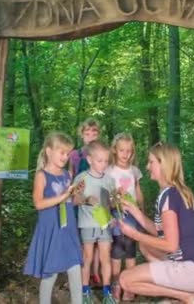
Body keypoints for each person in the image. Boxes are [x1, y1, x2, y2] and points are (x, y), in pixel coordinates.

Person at [117, 142, 194, 304]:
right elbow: (161, 232)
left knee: (126, 280)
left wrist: (134, 234)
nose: (147, 166)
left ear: (163, 164)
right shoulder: (178, 191)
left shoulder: (168, 197)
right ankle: (184, 291)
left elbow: (170, 245)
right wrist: (135, 211)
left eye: (151, 162)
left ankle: (187, 297)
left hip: (193, 270)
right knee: (146, 246)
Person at [23, 132, 84, 304]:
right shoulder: (41, 175)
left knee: (75, 268)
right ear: (49, 152)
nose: (65, 157)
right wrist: (62, 197)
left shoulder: (67, 175)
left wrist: (76, 194)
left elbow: (71, 201)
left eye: (68, 153)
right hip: (51, 231)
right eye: (62, 153)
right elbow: (38, 203)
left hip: (68, 230)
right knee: (50, 273)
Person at [73, 140, 117, 304]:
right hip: (87, 224)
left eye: (106, 161)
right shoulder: (82, 177)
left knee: (106, 258)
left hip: (104, 224)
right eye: (100, 161)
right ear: (90, 160)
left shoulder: (109, 180)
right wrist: (86, 199)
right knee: (88, 258)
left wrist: (116, 202)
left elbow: (110, 203)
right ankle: (85, 292)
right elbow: (74, 199)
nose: (104, 164)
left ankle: (107, 292)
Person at [106, 133, 144, 301]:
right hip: (116, 212)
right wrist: (113, 202)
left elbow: (138, 191)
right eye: (122, 150)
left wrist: (142, 211)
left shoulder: (134, 171)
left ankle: (130, 286)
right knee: (117, 247)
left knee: (130, 248)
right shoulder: (109, 170)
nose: (125, 154)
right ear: (115, 150)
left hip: (133, 213)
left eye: (129, 151)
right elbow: (105, 194)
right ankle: (116, 283)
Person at [69, 118, 102, 287]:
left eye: (94, 132)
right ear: (82, 135)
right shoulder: (75, 155)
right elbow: (71, 177)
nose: (90, 136)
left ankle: (95, 274)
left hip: (97, 202)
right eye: (87, 133)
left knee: (96, 240)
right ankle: (80, 276)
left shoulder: (102, 153)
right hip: (79, 202)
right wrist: (74, 196)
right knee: (81, 239)